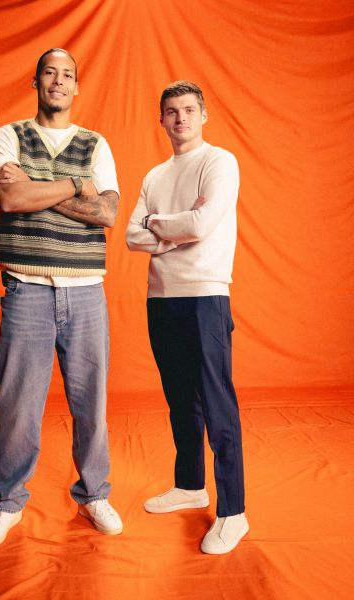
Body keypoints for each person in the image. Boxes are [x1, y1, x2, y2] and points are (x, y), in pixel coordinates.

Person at [0, 48, 122, 550]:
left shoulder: (95, 144)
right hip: (27, 290)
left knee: (92, 402)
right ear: (35, 81)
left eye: (67, 75)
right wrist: (78, 186)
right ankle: (7, 502)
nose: (58, 81)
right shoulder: (9, 136)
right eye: (50, 73)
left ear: (76, 87)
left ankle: (94, 494)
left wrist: (38, 187)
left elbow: (107, 213)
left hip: (86, 294)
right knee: (18, 404)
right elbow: (10, 198)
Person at [126, 81, 248, 554]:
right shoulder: (154, 176)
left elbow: (202, 224)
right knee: (180, 399)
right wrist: (173, 226)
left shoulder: (220, 162)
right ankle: (190, 485)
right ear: (161, 120)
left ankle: (234, 512)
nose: (181, 118)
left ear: (203, 115)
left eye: (189, 110)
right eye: (172, 111)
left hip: (205, 295)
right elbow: (132, 236)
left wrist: (157, 225)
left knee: (217, 403)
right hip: (161, 298)